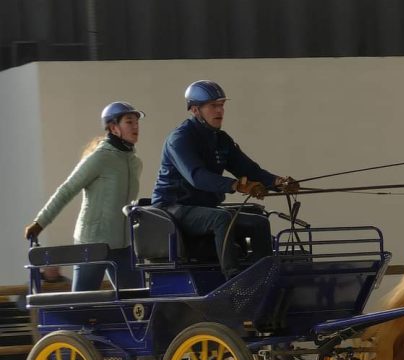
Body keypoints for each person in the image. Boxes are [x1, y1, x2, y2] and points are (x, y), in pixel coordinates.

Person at [151, 80, 299, 279]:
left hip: (202, 210)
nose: (220, 110)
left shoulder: (221, 140)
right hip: (173, 209)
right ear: (195, 109)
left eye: (221, 105)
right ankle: (234, 280)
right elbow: (197, 176)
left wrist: (278, 182)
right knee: (221, 218)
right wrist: (236, 185)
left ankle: (263, 277)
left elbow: (249, 170)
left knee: (259, 222)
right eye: (213, 106)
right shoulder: (180, 139)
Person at [24, 102, 145, 291]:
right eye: (129, 122)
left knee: (137, 300)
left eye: (137, 122)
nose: (136, 126)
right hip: (93, 244)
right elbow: (67, 189)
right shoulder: (100, 158)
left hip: (123, 246)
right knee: (82, 301)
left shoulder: (135, 162)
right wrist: (40, 223)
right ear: (114, 128)